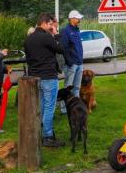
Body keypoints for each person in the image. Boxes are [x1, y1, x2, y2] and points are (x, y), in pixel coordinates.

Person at [25, 13, 65, 147]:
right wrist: (56, 33)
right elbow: (61, 49)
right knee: (49, 107)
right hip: (48, 76)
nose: (52, 27)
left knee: (42, 105)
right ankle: (48, 136)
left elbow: (28, 59)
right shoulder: (47, 37)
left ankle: (40, 131)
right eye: (51, 24)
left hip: (35, 77)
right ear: (46, 23)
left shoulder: (29, 39)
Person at [60, 10, 84, 113]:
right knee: (68, 88)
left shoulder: (77, 30)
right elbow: (64, 48)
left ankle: (76, 107)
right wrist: (70, 62)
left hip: (79, 63)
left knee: (77, 88)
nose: (79, 20)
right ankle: (64, 109)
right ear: (72, 19)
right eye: (78, 18)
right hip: (72, 64)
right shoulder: (65, 31)